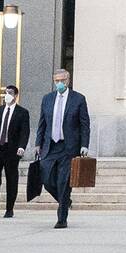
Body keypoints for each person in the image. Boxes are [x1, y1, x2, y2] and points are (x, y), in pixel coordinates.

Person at [35, 68, 91, 229]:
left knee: (63, 182)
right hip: (50, 146)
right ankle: (65, 200)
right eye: (56, 81)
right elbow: (42, 123)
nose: (59, 84)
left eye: (62, 80)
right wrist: (38, 143)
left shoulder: (78, 99)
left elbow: (84, 125)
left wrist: (84, 145)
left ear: (68, 80)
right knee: (46, 180)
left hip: (68, 147)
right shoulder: (47, 99)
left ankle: (62, 218)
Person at [0, 84, 30, 217]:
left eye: (10, 93)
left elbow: (24, 132)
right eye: (5, 93)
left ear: (15, 95)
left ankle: (9, 209)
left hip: (11, 150)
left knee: (11, 179)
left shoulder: (22, 112)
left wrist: (22, 147)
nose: (6, 95)